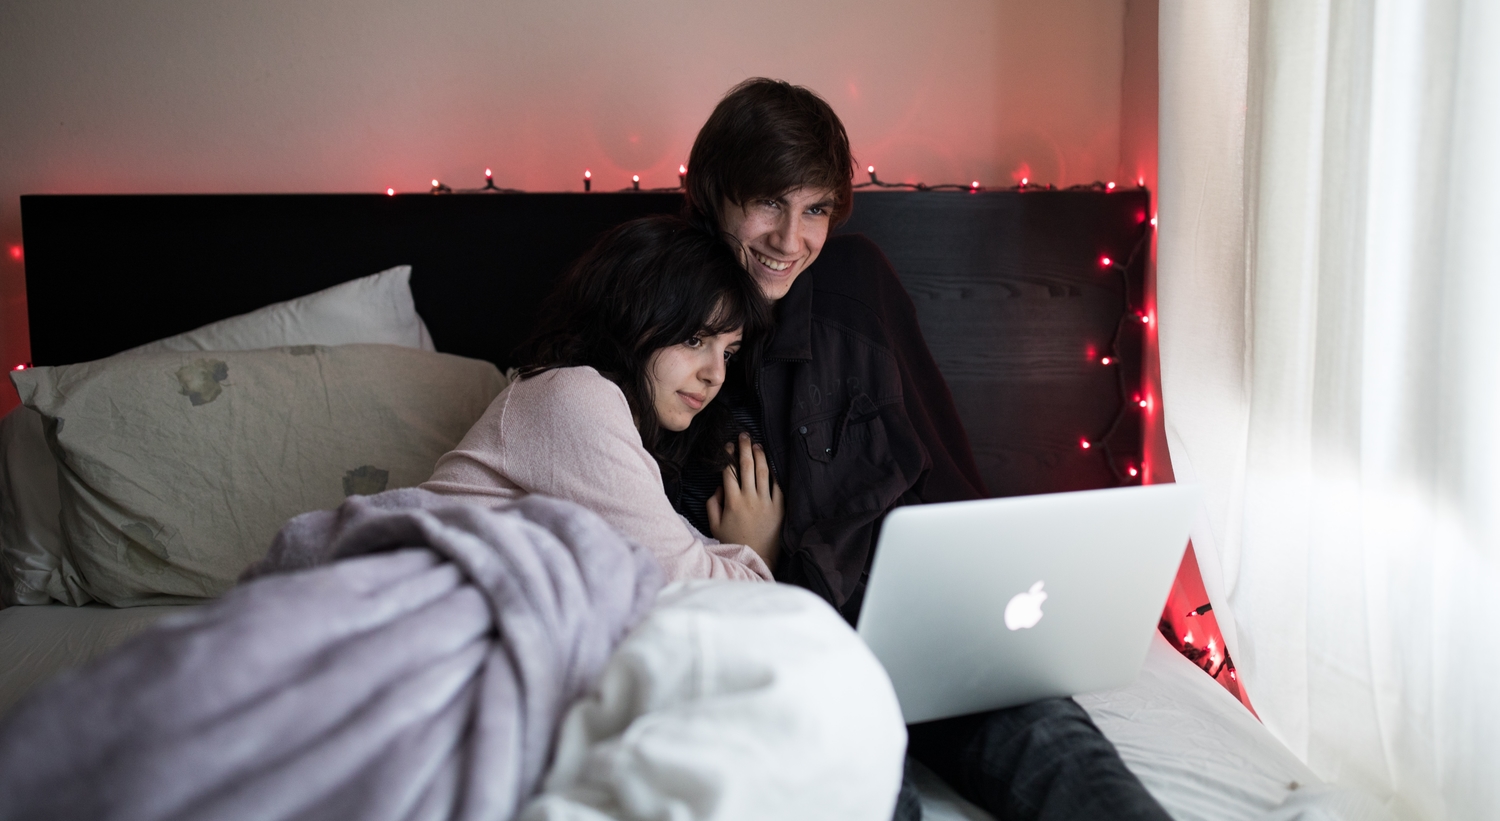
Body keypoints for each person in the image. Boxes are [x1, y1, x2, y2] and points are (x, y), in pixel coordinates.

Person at [675, 78, 1172, 821]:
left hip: (931, 633)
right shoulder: (672, 312)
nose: (790, 239)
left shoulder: (856, 282)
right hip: (803, 650)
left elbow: (944, 477)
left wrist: (989, 612)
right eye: (768, 202)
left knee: (1066, 756)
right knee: (870, 788)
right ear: (716, 195)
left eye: (813, 208)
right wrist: (757, 559)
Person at [421, 215, 783, 582]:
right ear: (632, 315)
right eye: (694, 340)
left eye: (728, 353)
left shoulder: (617, 424)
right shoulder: (573, 395)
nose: (716, 374)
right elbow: (683, 578)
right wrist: (756, 553)